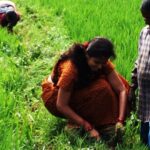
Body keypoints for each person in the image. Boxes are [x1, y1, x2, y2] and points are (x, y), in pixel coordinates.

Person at [41, 37, 130, 147]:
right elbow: (61, 105)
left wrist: (120, 120)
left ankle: (106, 120)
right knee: (102, 89)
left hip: (77, 88)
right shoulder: (71, 70)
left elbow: (121, 89)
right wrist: (88, 127)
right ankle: (76, 125)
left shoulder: (100, 60)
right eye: (96, 62)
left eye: (103, 63)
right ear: (87, 55)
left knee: (119, 82)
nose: (99, 66)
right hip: (56, 96)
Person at [129, 0, 150, 147]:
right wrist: (132, 86)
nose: (146, 21)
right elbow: (138, 61)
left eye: (149, 17)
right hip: (144, 96)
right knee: (144, 135)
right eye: (144, 18)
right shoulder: (145, 32)